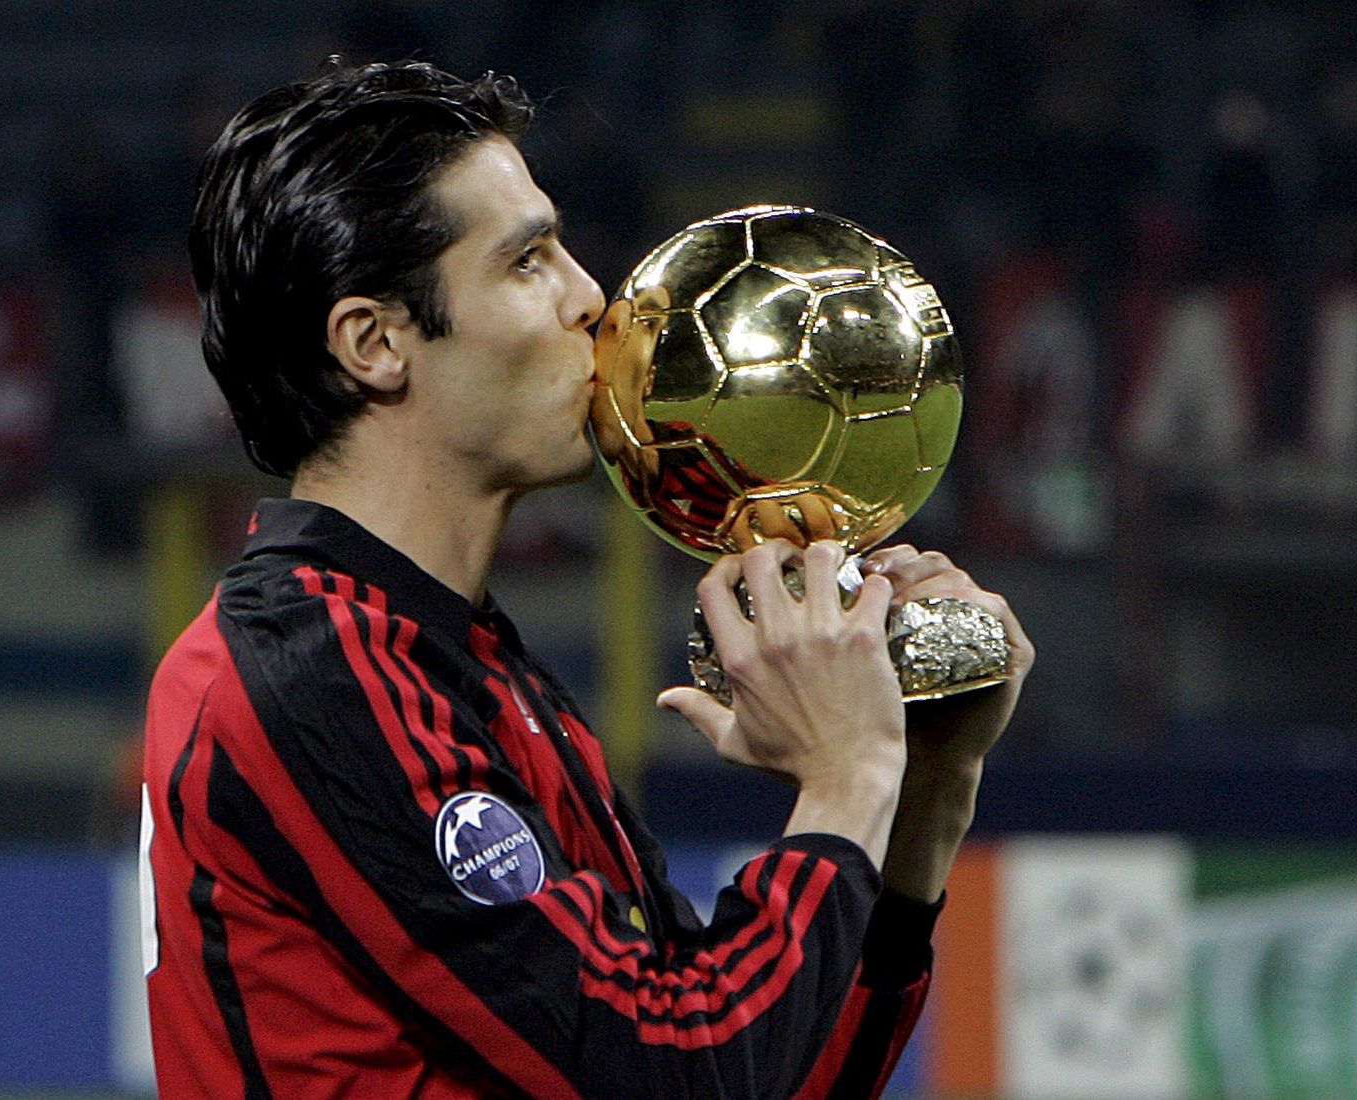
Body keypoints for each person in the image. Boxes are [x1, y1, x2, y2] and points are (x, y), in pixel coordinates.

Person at [142, 58, 1033, 1099]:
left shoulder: (467, 668)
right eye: (528, 261)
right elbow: (672, 1073)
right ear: (375, 342)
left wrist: (920, 792)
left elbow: (755, 1071)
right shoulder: (306, 671)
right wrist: (843, 781)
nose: (590, 297)